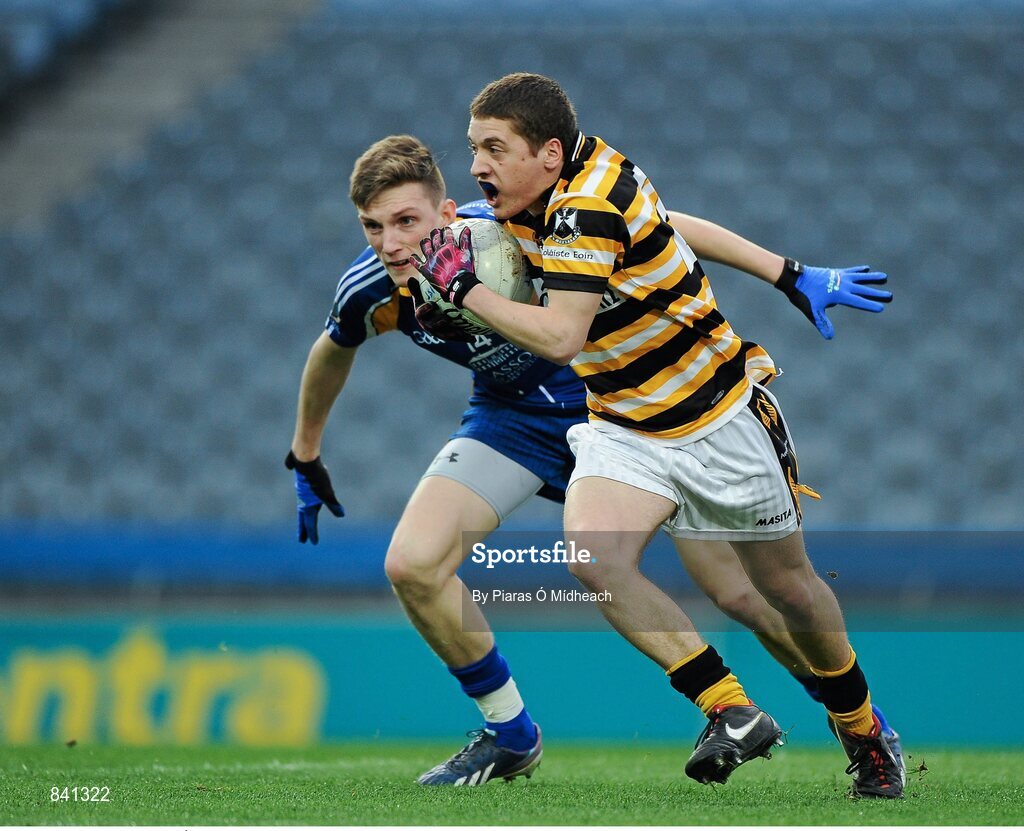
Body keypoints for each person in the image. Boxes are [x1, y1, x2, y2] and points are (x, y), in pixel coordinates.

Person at [289, 134, 898, 791]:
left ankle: (863, 724)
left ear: (444, 214)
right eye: (373, 226)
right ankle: (512, 734)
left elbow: (660, 226)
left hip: (612, 412)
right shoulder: (372, 285)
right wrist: (306, 450)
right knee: (410, 563)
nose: (390, 243)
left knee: (742, 594)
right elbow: (332, 349)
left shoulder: (505, 230)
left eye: (406, 221)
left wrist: (785, 271)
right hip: (511, 421)